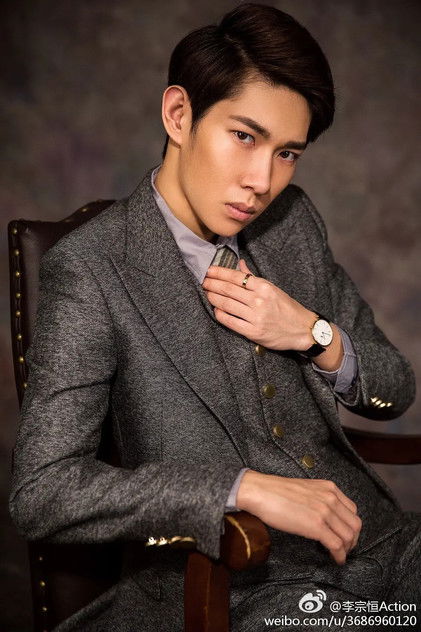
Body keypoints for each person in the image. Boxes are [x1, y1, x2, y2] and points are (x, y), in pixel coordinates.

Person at [9, 3, 420, 631]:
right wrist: (239, 487)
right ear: (180, 115)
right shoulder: (92, 268)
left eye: (288, 153)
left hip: (383, 547)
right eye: (245, 137)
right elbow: (43, 491)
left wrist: (314, 335)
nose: (262, 181)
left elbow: (396, 388)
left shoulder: (292, 223)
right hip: (235, 584)